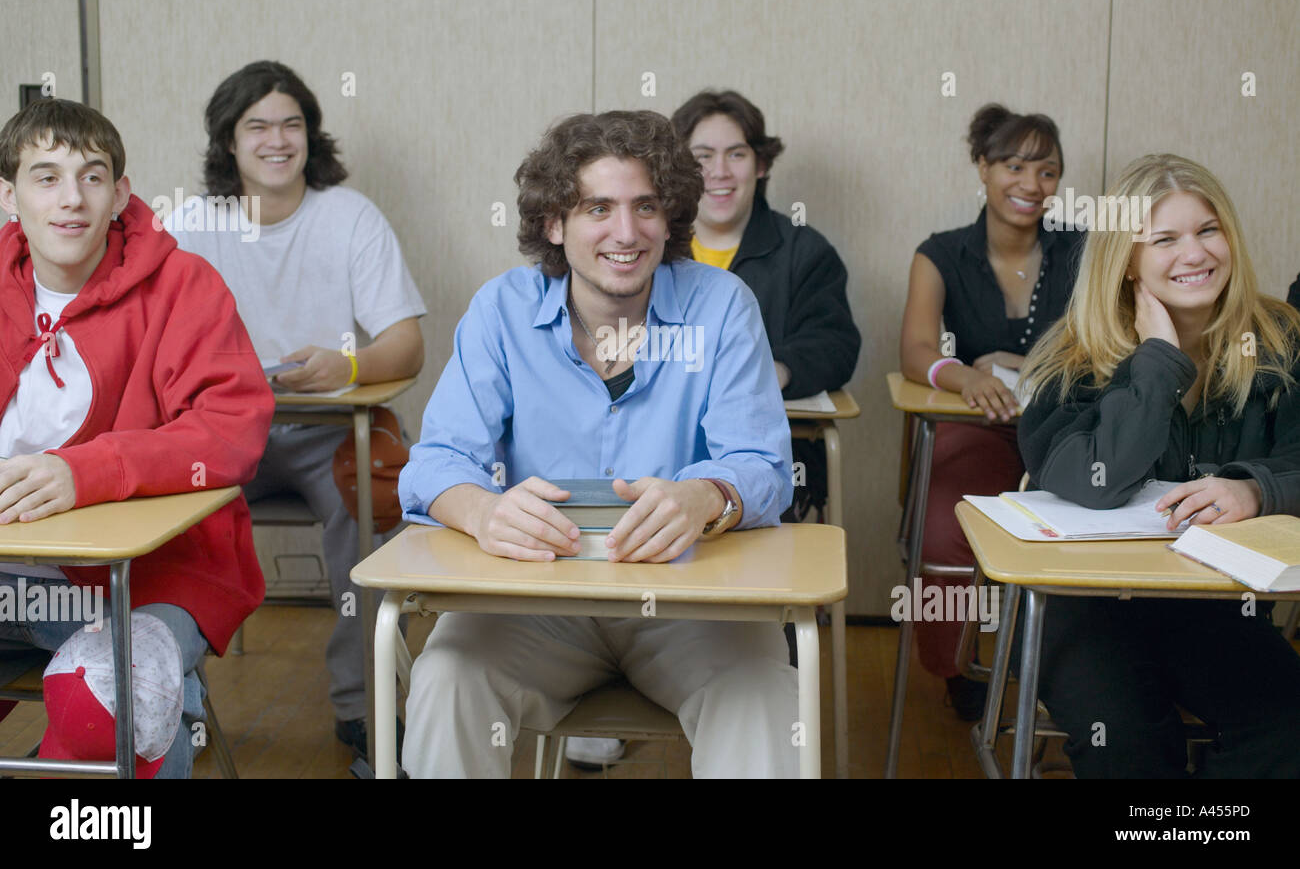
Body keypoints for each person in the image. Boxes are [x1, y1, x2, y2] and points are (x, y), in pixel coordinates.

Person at [396, 110, 797, 778]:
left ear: (669, 219)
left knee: (766, 697)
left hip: (691, 600)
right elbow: (435, 462)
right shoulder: (502, 310)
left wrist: (703, 496)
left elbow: (760, 465)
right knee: (447, 678)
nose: (626, 232)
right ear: (554, 223)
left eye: (646, 206)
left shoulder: (722, 305)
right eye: (598, 208)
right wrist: (484, 512)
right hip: (533, 602)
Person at [0, 98, 273, 777]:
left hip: (143, 576)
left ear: (120, 192)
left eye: (92, 177)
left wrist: (89, 470)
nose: (72, 200)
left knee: (112, 701)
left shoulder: (184, 285)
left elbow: (233, 431)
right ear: (9, 195)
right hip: (10, 580)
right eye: (46, 177)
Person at [165, 61, 426, 757]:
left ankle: (365, 703)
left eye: (292, 124)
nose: (277, 139)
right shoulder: (190, 224)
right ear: (228, 141)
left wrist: (344, 366)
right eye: (258, 126)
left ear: (311, 136)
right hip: (223, 430)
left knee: (373, 493)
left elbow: (406, 345)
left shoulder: (349, 216)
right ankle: (171, 699)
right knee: (161, 510)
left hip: (328, 428)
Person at [1018, 153, 1300, 778]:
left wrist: (1258, 489)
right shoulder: (1071, 361)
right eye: (1164, 239)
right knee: (1127, 747)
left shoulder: (1280, 341)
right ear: (1126, 263)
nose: (1194, 254)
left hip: (1214, 606)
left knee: (1290, 726)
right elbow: (1099, 481)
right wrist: (1159, 358)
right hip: (1088, 610)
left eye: (1207, 230)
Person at [898, 104, 1081, 719]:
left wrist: (1044, 364)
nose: (1032, 185)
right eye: (1015, 165)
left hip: (1065, 427)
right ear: (983, 167)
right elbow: (917, 349)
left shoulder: (1082, 251)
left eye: (1048, 171)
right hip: (980, 420)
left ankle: (1063, 669)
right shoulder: (942, 252)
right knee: (946, 521)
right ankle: (956, 665)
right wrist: (967, 375)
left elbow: (1115, 342)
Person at [670, 89, 860, 523]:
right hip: (660, 449)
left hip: (768, 456)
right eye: (702, 156)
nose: (719, 172)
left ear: (761, 164)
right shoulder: (647, 248)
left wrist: (776, 369)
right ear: (680, 168)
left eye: (736, 155)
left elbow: (836, 344)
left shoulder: (805, 251)